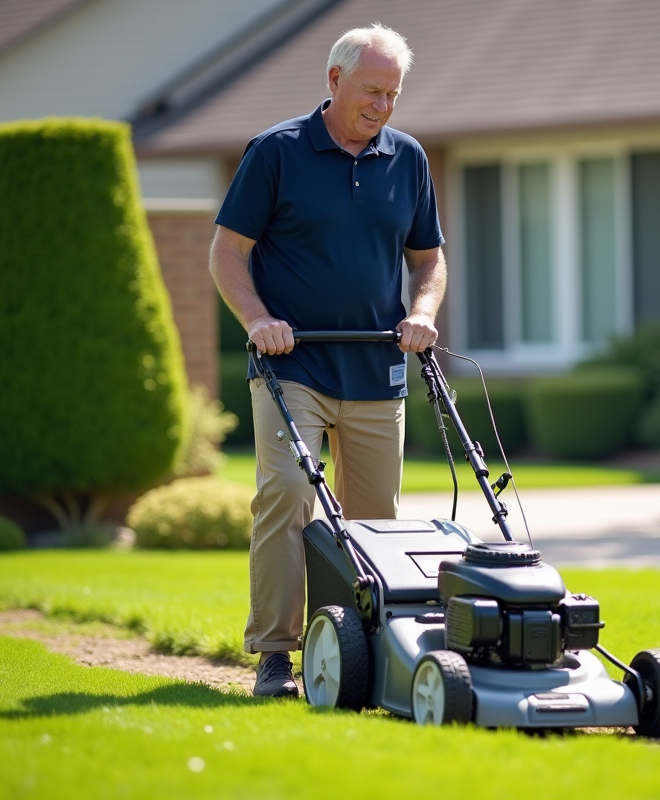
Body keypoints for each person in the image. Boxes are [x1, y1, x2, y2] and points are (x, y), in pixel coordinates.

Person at [208, 23, 447, 698]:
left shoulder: (409, 159)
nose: (382, 105)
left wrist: (423, 314)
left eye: (393, 94)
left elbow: (428, 260)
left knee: (374, 520)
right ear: (335, 81)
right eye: (371, 90)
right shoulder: (277, 153)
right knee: (286, 491)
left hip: (376, 368)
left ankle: (365, 655)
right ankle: (277, 656)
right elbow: (227, 251)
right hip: (294, 367)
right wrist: (258, 320)